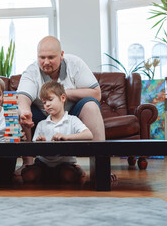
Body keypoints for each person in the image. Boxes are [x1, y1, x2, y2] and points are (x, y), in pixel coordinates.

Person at [16, 35, 105, 176]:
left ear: (61, 55)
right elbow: (23, 97)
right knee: (20, 110)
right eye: (42, 57)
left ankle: (101, 167)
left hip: (70, 115)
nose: (46, 62)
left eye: (51, 57)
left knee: (91, 105)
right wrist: (25, 113)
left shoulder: (75, 64)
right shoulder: (31, 71)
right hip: (43, 116)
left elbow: (96, 94)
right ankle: (28, 164)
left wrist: (64, 93)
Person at [21, 81, 93, 183]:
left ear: (62, 98)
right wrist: (40, 142)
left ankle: (77, 169)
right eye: (44, 102)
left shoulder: (72, 120)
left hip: (65, 163)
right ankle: (52, 175)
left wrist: (67, 137)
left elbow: (89, 135)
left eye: (50, 100)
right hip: (42, 163)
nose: (47, 104)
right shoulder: (42, 124)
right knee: (28, 176)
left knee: (68, 176)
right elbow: (34, 148)